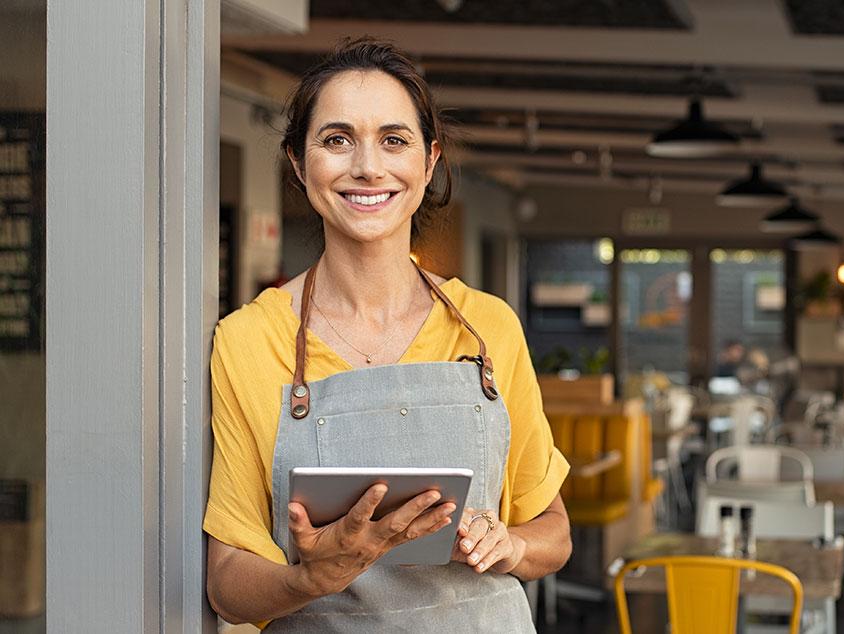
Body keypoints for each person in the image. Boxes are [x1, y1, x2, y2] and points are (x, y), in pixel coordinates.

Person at [203, 38, 571, 632]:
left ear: (428, 162)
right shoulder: (250, 339)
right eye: (337, 139)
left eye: (393, 140)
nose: (368, 166)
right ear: (299, 163)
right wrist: (309, 578)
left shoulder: (487, 329)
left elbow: (553, 530)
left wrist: (511, 547)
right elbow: (227, 583)